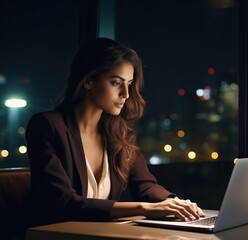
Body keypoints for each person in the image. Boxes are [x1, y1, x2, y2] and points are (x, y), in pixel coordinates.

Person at [24, 38, 204, 228]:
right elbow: (64, 202)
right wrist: (144, 208)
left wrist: (174, 203)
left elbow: (145, 185)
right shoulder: (47, 126)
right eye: (116, 83)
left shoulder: (119, 134)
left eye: (129, 83)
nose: (126, 93)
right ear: (88, 81)